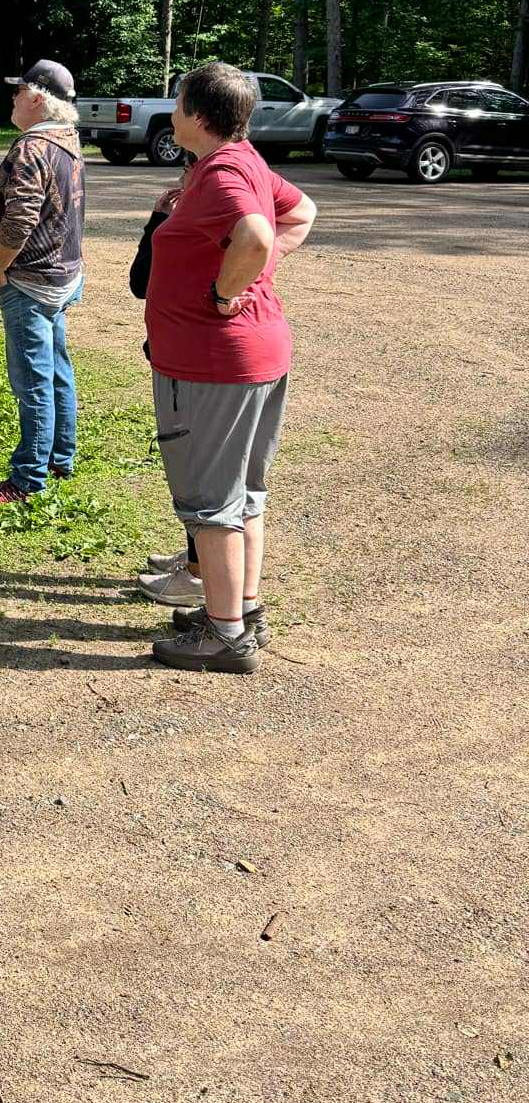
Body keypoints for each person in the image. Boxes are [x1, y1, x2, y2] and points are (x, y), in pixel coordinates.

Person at [143, 61, 317, 673]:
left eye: (177, 101)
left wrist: (225, 290)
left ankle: (224, 637)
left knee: (212, 502)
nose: (170, 111)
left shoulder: (222, 171)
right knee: (245, 496)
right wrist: (252, 276)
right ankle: (242, 611)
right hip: (255, 354)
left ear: (197, 114)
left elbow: (258, 236)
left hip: (215, 362)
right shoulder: (243, 160)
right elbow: (301, 213)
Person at [0, 58, 87, 504]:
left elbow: (20, 219)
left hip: (31, 280)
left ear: (38, 99)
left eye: (18, 91)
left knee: (33, 378)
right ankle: (60, 454)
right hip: (62, 274)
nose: (13, 98)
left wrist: (0, 267)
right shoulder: (67, 142)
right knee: (57, 369)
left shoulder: (31, 149)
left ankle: (27, 477)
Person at [130, 159, 204, 608]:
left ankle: (199, 573)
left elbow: (140, 281)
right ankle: (197, 557)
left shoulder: (196, 225)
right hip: (178, 354)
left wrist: (160, 224)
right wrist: (159, 218)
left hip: (192, 362)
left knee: (196, 469)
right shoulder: (189, 216)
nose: (179, 182)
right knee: (189, 463)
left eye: (186, 174)